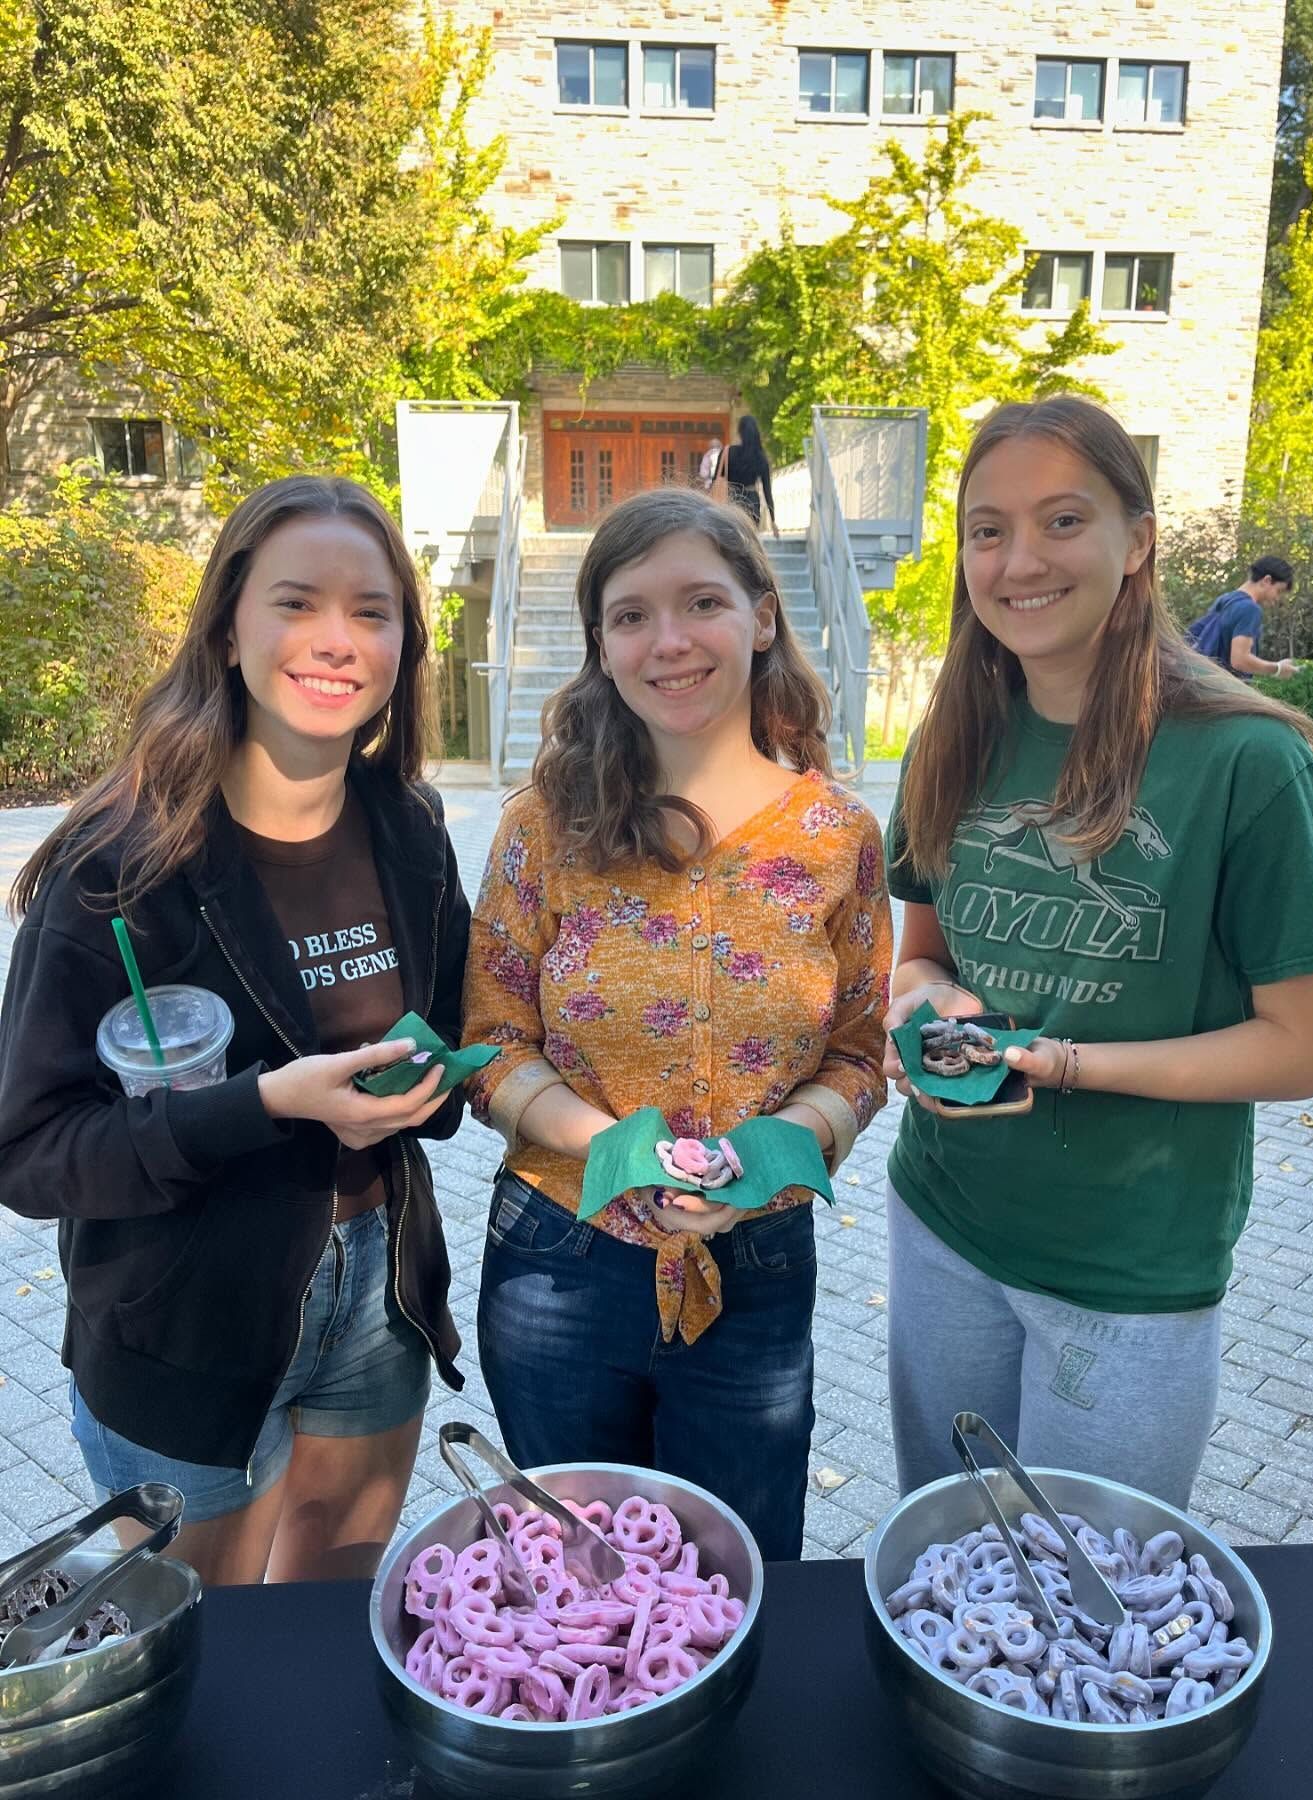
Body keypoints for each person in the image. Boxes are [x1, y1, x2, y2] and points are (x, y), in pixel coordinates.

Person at [0, 475, 472, 1586]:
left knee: (322, 1628)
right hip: (185, 1318)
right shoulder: (117, 868)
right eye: (295, 603)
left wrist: (438, 1086)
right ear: (226, 627)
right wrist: (259, 1105)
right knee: (202, 1651)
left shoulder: (408, 830)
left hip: (378, 1294)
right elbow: (27, 1153)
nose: (336, 641)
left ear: (405, 639)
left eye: (372, 612)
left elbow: (448, 1027)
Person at [882, 398, 1313, 1509]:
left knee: (1095, 1615)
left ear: (1135, 540)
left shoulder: (1246, 759)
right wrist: (925, 1010)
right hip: (946, 1226)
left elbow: (1309, 1048)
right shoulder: (953, 737)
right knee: (946, 1568)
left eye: (1061, 520)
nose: (1019, 561)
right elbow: (918, 959)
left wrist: (1074, 1065)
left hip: (1132, 1273)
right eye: (988, 529)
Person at [462, 485, 890, 1558]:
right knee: (576, 1578)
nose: (670, 641)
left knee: (741, 1573)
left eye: (701, 601)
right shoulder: (541, 829)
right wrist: (607, 1146)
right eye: (630, 614)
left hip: (755, 1263)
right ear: (602, 646)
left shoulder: (839, 837)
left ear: (761, 615)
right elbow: (489, 1044)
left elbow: (860, 1052)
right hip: (561, 1255)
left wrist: (780, 1150)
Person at [1185, 555, 1299, 681]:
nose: (1278, 598)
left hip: (1204, 683)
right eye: (1279, 591)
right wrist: (1277, 668)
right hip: (1225, 689)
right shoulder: (1250, 609)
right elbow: (1240, 660)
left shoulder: (1225, 600)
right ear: (1266, 580)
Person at [713, 414, 778, 533]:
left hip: (732, 501)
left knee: (732, 541)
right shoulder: (760, 458)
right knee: (749, 544)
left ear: (740, 432)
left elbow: (715, 480)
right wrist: (773, 521)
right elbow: (767, 491)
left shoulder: (728, 452)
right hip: (752, 502)